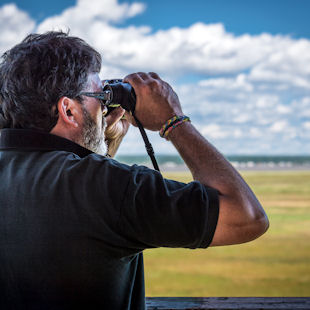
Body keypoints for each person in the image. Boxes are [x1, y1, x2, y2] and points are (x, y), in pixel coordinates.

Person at [0, 31, 269, 309]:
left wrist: (103, 141)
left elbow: (71, 189)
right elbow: (246, 217)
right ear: (69, 110)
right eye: (100, 96)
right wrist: (173, 121)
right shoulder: (109, 188)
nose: (104, 109)